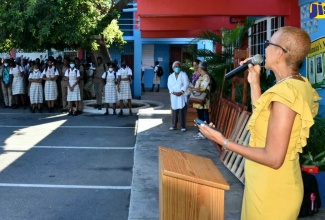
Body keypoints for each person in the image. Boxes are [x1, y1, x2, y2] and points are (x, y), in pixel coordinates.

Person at [199, 26, 321, 219]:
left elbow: (273, 158)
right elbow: (265, 120)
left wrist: (224, 142)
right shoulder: (296, 84)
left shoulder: (285, 95)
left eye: (268, 44)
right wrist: (254, 83)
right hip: (263, 184)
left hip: (272, 192)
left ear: (280, 52)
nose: (263, 49)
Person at [190, 61, 210, 140]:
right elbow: (197, 86)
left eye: (198, 67)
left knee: (204, 118)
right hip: (198, 101)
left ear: (201, 68)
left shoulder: (206, 77)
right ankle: (201, 132)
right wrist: (192, 87)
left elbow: (202, 88)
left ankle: (205, 133)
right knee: (200, 117)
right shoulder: (201, 77)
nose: (197, 68)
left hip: (204, 102)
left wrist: (193, 88)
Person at [167, 61, 189, 132]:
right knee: (174, 111)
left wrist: (181, 91)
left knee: (182, 111)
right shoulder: (170, 76)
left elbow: (186, 84)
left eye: (178, 66)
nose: (177, 68)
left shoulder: (183, 74)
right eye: (176, 66)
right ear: (173, 68)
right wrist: (173, 92)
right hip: (174, 95)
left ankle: (183, 126)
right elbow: (169, 85)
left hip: (181, 95)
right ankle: (174, 125)